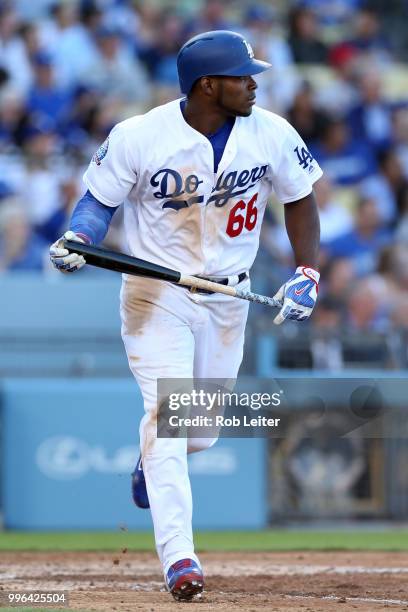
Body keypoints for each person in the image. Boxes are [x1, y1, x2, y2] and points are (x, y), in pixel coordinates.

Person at [49, 30, 321, 601]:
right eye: (242, 76)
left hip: (230, 297)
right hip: (157, 293)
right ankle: (181, 559)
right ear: (207, 85)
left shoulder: (270, 130)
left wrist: (307, 270)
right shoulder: (141, 135)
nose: (253, 83)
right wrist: (79, 236)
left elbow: (299, 198)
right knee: (166, 420)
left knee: (199, 431)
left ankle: (148, 464)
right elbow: (98, 202)